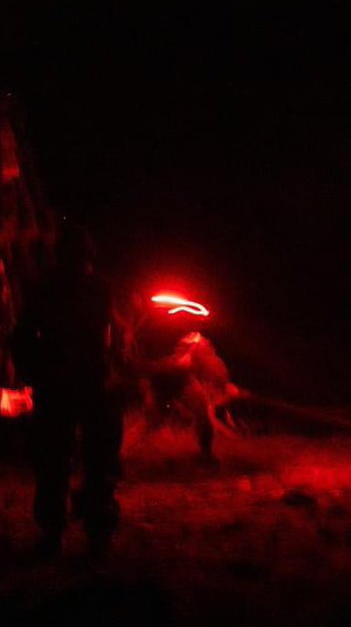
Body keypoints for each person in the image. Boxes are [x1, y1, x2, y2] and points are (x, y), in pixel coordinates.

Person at [13, 224, 123, 558]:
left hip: (85, 384)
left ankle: (88, 532)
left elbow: (110, 333)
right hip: (65, 384)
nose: (82, 263)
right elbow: (23, 337)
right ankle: (62, 532)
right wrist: (38, 370)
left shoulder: (95, 289)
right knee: (59, 462)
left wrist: (111, 367)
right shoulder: (50, 290)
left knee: (89, 462)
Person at [139, 330, 234, 463]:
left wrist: (223, 388)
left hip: (183, 380)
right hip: (162, 380)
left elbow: (215, 373)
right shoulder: (175, 349)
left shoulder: (201, 352)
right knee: (152, 420)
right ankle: (138, 449)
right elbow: (178, 364)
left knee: (202, 413)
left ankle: (205, 454)